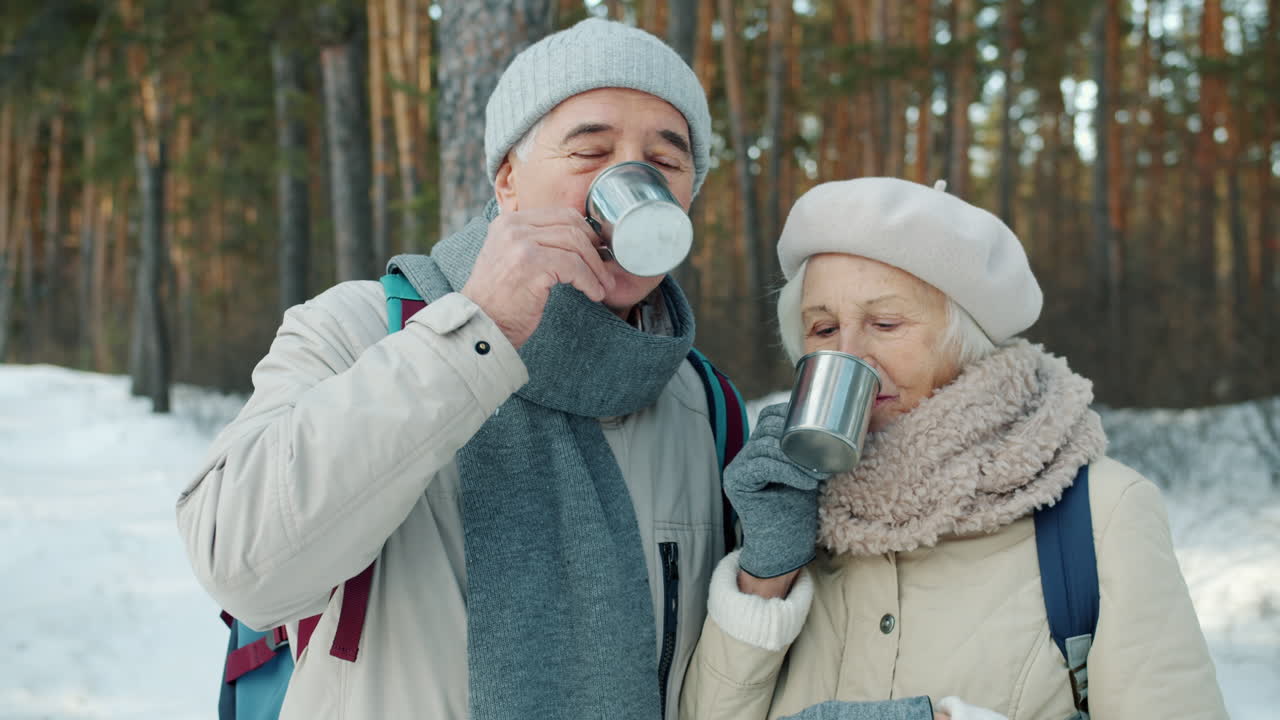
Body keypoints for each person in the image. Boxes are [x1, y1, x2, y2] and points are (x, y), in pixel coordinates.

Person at [178, 18, 729, 720]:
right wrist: (476, 333)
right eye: (591, 150)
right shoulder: (358, 330)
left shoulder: (701, 406)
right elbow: (240, 565)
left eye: (668, 162)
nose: (633, 180)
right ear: (508, 182)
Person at [680, 178, 1229, 720]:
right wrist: (766, 574)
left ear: (966, 338)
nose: (849, 355)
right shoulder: (782, 506)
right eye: (823, 328)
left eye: (886, 323)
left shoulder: (1101, 513)